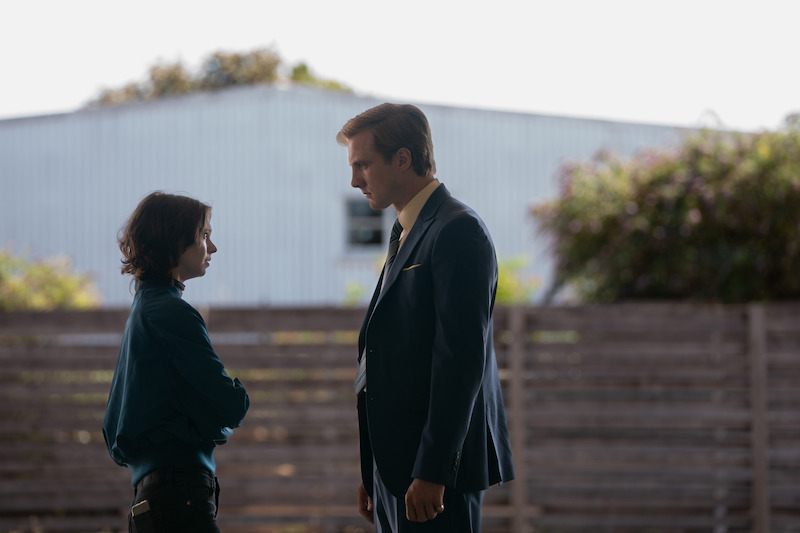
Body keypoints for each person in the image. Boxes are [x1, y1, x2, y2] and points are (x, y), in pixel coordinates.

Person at [337, 103, 515, 532]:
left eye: (363, 165)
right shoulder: (407, 230)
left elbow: (460, 359)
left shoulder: (458, 230)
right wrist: (375, 472)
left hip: (432, 479)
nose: (354, 180)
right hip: (396, 473)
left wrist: (434, 470)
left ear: (402, 158)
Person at [103, 191, 250, 533]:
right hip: (179, 495)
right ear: (174, 239)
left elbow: (115, 433)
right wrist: (233, 400)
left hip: (154, 496)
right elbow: (229, 405)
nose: (211, 248)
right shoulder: (171, 312)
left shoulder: (144, 309)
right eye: (204, 235)